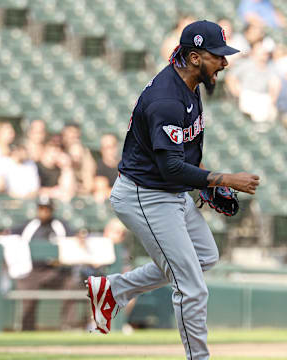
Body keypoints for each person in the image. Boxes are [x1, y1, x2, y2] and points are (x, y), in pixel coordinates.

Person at [85, 20, 260, 360]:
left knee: (204, 257)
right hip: (145, 196)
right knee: (191, 287)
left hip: (168, 190)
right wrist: (222, 179)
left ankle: (112, 289)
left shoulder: (189, 83)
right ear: (195, 57)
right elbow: (170, 167)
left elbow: (180, 156)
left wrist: (203, 184)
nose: (224, 62)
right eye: (217, 56)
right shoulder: (166, 99)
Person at [6, 195, 79, 331]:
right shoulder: (29, 225)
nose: (44, 212)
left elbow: (74, 239)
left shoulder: (60, 225)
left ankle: (69, 325)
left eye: (47, 208)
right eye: (41, 208)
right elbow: (10, 234)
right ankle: (27, 328)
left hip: (55, 271)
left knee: (70, 285)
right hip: (32, 270)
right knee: (27, 291)